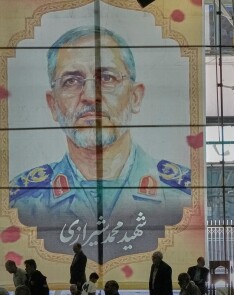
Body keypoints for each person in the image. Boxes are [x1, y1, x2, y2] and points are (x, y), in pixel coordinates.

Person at [10, 26, 192, 259]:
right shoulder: (22, 202)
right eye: (71, 81)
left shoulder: (182, 195)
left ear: (135, 97)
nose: (89, 95)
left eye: (106, 78)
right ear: (53, 105)